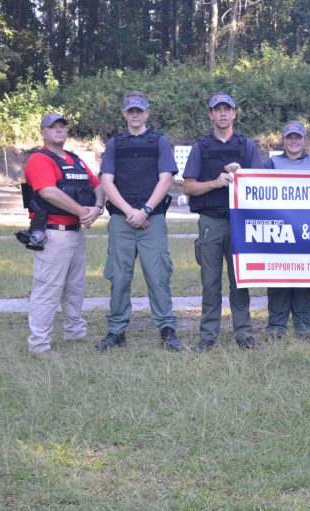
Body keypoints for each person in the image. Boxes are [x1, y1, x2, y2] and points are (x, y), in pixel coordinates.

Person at [95, 91, 181, 352]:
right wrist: (130, 212)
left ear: (147, 113)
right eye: (130, 110)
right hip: (122, 221)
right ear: (124, 113)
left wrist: (144, 210)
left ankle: (167, 330)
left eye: (139, 110)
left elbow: (166, 179)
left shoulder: (159, 142)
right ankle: (116, 331)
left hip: (151, 221)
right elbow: (106, 181)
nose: (135, 114)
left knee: (157, 277)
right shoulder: (114, 144)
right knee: (119, 278)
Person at [182, 92, 263, 352]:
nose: (223, 113)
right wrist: (216, 182)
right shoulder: (201, 147)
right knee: (210, 282)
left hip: (240, 222)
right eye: (218, 109)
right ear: (211, 115)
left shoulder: (247, 145)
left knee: (240, 280)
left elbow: (262, 185)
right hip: (211, 221)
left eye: (227, 109)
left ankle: (244, 334)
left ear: (234, 113)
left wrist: (243, 175)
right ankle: (207, 335)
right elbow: (188, 187)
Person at [23, 113, 104, 359]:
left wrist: (97, 209)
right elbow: (48, 192)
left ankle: (75, 332)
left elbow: (98, 186)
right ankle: (39, 345)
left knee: (75, 288)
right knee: (48, 290)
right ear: (43, 133)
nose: (59, 130)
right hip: (53, 233)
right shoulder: (39, 159)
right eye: (52, 127)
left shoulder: (75, 160)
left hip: (76, 233)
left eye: (62, 126)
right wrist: (82, 211)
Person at [263, 120, 310, 341]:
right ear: (283, 139)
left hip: (306, 229)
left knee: (303, 277)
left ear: (304, 139)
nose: (293, 141)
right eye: (289, 137)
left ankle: (303, 325)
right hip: (279, 228)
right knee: (278, 276)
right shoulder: (272, 164)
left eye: (297, 137)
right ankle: (276, 326)